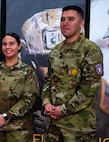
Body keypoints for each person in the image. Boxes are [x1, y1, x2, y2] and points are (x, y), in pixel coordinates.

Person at [41, 5, 104, 142]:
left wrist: (62, 110)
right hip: (54, 127)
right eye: (63, 19)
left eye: (71, 19)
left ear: (81, 23)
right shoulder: (55, 51)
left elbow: (88, 90)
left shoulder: (90, 51)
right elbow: (48, 81)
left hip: (78, 128)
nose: (65, 23)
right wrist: (46, 103)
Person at [0, 32, 39, 142]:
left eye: (11, 44)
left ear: (19, 46)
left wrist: (6, 116)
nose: (7, 47)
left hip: (19, 130)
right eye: (4, 44)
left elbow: (28, 99)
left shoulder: (27, 71)